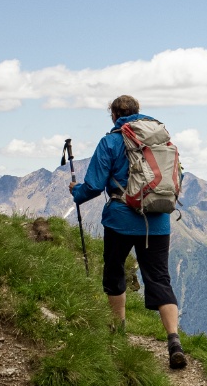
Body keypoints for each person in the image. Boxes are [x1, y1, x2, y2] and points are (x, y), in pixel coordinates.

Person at [70, 94, 186, 369]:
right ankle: (174, 341)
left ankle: (118, 335)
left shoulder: (110, 142)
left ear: (113, 115)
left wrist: (77, 192)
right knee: (159, 278)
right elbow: (177, 177)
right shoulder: (162, 141)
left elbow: (94, 185)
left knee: (114, 272)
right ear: (138, 111)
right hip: (158, 221)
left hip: (120, 220)